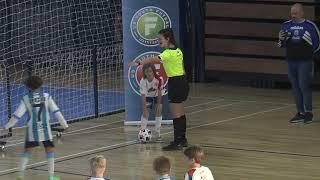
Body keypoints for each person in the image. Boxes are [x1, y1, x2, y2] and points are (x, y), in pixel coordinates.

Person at [130, 28, 189, 150]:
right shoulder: (178, 51)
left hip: (176, 82)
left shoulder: (167, 54)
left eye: (160, 39)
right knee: (181, 113)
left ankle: (177, 142)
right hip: (183, 81)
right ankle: (182, 139)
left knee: (176, 114)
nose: (158, 41)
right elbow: (182, 67)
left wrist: (138, 63)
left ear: (168, 39)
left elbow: (152, 59)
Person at [4, 76, 69, 180]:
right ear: (41, 84)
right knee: (50, 150)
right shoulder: (47, 96)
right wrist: (64, 124)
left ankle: (20, 175)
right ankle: (51, 176)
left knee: (27, 152)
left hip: (32, 130)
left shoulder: (26, 98)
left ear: (28, 86)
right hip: (46, 129)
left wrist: (7, 126)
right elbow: (56, 111)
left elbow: (17, 115)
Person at [278, 3, 320, 124]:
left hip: (305, 62)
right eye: (292, 13)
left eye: (296, 13)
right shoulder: (286, 25)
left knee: (304, 85)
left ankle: (309, 113)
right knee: (295, 87)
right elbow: (281, 44)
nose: (293, 15)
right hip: (291, 61)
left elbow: (318, 44)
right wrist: (280, 39)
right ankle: (300, 113)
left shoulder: (310, 26)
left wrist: (308, 54)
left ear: (302, 12)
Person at [139, 63, 163, 141]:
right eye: (146, 72)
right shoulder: (143, 81)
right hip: (147, 97)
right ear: (144, 73)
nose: (148, 73)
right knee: (146, 113)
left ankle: (157, 133)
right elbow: (143, 96)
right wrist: (145, 108)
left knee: (159, 110)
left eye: (150, 71)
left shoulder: (159, 79)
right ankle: (142, 133)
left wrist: (159, 104)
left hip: (156, 96)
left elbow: (159, 92)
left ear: (153, 71)